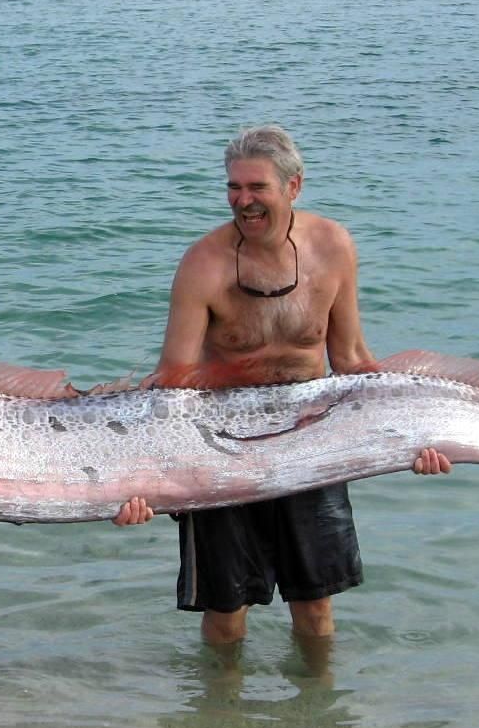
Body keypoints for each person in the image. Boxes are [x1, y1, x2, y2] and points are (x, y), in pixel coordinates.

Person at [145, 124, 450, 647]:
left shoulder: (333, 246)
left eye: (256, 188)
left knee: (314, 606)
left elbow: (352, 361)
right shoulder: (203, 265)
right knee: (226, 609)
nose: (243, 201)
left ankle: (323, 721)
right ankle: (218, 721)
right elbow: (174, 380)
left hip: (314, 435)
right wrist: (150, 482)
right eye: (233, 188)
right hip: (225, 442)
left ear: (293, 186)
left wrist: (417, 437)